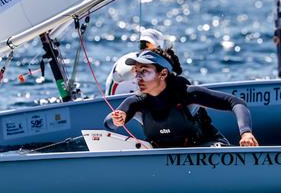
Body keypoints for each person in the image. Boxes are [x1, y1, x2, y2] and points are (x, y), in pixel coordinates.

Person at [105, 50, 259, 148]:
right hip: (164, 158)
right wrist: (116, 119)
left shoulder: (187, 94)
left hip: (207, 150)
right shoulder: (136, 102)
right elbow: (109, 124)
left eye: (144, 72)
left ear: (163, 74)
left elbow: (236, 103)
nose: (138, 78)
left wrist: (246, 133)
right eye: (136, 72)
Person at [104, 28, 183, 95]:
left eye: (149, 45)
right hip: (114, 101)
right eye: (142, 44)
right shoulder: (128, 60)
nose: (144, 48)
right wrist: (134, 71)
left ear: (159, 48)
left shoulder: (163, 66)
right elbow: (117, 77)